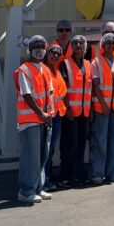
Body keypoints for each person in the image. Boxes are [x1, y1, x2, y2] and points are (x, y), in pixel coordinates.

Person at [15, 35, 54, 204]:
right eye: (36, 46)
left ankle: (38, 187)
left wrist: (49, 114)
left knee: (42, 155)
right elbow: (27, 95)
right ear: (29, 50)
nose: (39, 49)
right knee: (30, 156)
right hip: (30, 119)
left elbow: (50, 94)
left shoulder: (45, 69)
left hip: (44, 119)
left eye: (42, 46)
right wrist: (40, 113)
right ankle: (26, 190)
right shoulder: (24, 69)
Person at [89, 32, 114, 184]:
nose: (111, 45)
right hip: (102, 109)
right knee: (100, 141)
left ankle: (113, 171)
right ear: (103, 46)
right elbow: (96, 87)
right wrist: (104, 105)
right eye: (108, 43)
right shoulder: (96, 62)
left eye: (113, 43)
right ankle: (97, 173)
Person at [60, 34, 92, 185]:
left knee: (81, 145)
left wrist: (90, 108)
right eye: (75, 44)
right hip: (71, 113)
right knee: (69, 146)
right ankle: (67, 176)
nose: (78, 46)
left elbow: (90, 89)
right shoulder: (65, 64)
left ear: (85, 47)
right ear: (71, 47)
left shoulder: (88, 64)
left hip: (84, 113)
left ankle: (79, 174)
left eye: (81, 44)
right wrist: (68, 108)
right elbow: (64, 89)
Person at [43, 43, 67, 189]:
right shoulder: (44, 70)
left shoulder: (57, 71)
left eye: (58, 54)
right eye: (53, 53)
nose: (55, 56)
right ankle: (44, 180)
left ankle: (47, 177)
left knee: (51, 149)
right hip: (48, 116)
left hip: (58, 115)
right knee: (46, 149)